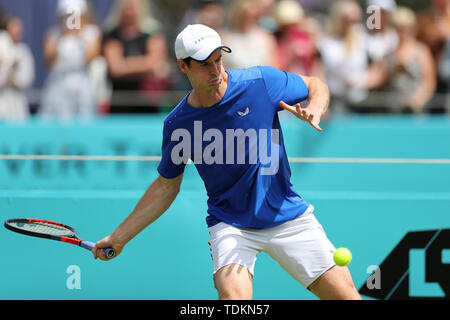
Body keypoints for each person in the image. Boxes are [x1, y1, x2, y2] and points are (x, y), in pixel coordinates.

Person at [93, 24, 361, 300]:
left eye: (218, 59)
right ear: (183, 67)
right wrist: (119, 236)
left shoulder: (261, 83)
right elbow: (165, 187)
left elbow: (316, 85)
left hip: (287, 214)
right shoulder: (178, 124)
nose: (215, 70)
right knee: (234, 300)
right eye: (204, 65)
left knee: (346, 297)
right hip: (231, 225)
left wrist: (316, 107)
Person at [102, 0, 170, 114]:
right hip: (120, 101)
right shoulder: (112, 34)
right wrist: (145, 65)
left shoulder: (152, 32)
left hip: (149, 102)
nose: (130, 8)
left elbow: (156, 63)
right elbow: (116, 68)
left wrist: (126, 64)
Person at [40, 0, 101, 120]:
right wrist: (64, 35)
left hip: (82, 86)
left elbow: (91, 57)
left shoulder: (91, 33)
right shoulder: (53, 34)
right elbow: (48, 59)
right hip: (58, 84)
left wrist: (78, 35)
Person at [384, 6, 436, 113]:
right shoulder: (389, 53)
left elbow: (429, 82)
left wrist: (416, 100)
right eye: (399, 27)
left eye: (405, 27)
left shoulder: (422, 51)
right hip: (393, 110)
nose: (402, 31)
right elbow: (379, 76)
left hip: (416, 110)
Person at [0, 16, 35, 122]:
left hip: (18, 106)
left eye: (19, 27)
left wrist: (11, 75)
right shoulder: (2, 45)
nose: (18, 30)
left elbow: (26, 79)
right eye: (14, 26)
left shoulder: (24, 51)